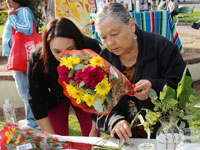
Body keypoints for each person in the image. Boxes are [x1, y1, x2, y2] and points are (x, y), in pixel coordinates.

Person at [92, 2, 189, 141]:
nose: (110, 42)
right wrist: (114, 120)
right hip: (128, 140)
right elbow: (97, 104)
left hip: (167, 135)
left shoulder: (162, 48)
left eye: (114, 34)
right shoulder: (103, 61)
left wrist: (155, 86)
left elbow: (184, 88)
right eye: (103, 37)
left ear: (131, 25)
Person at [28, 17, 101, 136]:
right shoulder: (37, 58)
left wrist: (94, 130)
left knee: (90, 140)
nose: (63, 57)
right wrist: (53, 140)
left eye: (70, 49)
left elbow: (101, 92)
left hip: (85, 96)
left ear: (77, 42)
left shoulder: (90, 47)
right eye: (56, 51)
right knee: (57, 137)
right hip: (54, 97)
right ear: (47, 47)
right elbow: (36, 100)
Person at [2, 0, 39, 129]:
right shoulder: (19, 11)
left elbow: (27, 29)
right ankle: (31, 119)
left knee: (26, 90)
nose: (7, 1)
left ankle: (33, 121)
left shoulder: (22, 11)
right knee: (24, 89)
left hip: (22, 56)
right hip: (19, 56)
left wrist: (11, 17)